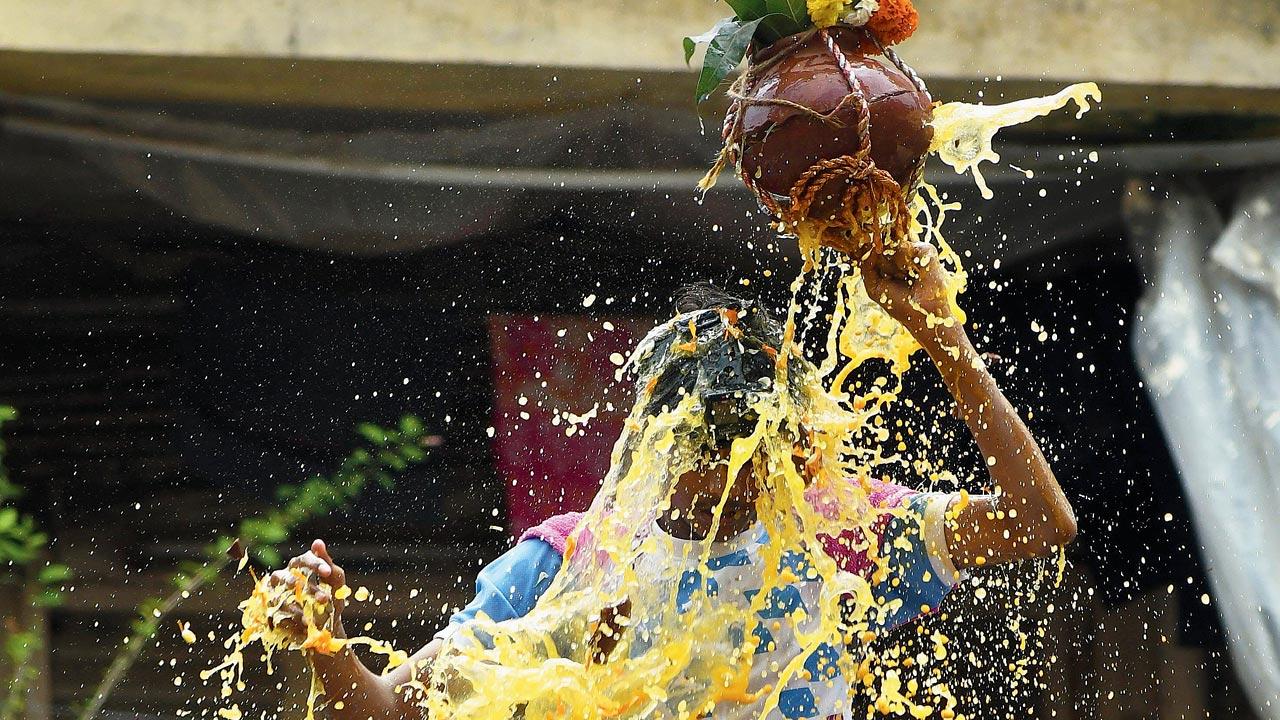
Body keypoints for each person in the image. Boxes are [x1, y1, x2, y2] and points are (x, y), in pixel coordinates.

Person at [267, 243, 1076, 720]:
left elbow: (1041, 523)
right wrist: (325, 641)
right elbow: (381, 712)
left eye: (746, 442)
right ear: (646, 439)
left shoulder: (841, 542)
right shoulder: (567, 569)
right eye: (697, 441)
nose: (720, 470)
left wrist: (943, 337)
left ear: (793, 443)